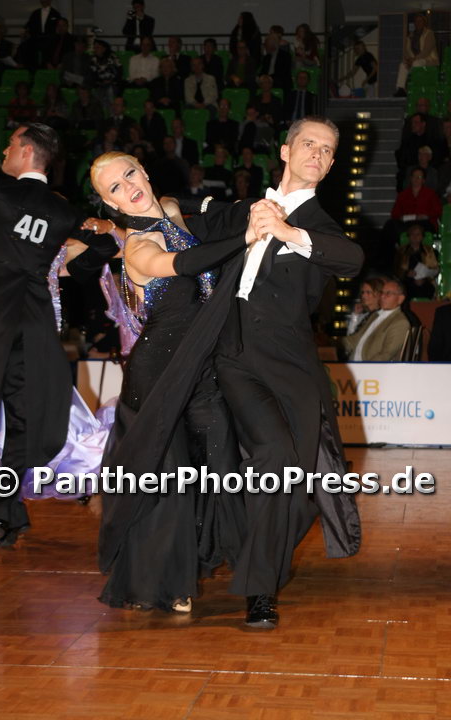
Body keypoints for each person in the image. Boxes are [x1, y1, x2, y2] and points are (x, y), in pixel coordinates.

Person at [207, 117, 363, 627]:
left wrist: (288, 232)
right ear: (285, 150)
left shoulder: (320, 226)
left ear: (332, 164)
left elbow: (352, 259)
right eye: (309, 144)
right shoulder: (246, 208)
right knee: (274, 454)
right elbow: (185, 220)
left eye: (328, 149)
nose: (318, 153)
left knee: (299, 481)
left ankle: (258, 560)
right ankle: (260, 589)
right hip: (234, 354)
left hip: (292, 364)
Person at [88, 151, 255, 612]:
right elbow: (185, 264)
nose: (128, 187)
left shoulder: (171, 208)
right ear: (109, 203)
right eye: (115, 188)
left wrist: (257, 208)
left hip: (201, 368)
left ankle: (245, 565)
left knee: (222, 460)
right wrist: (245, 237)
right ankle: (166, 580)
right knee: (167, 478)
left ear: (143, 169)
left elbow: (205, 210)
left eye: (129, 174)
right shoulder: (138, 247)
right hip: (158, 374)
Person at [0, 123, 118, 548]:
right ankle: (2, 515)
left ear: (25, 150)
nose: (3, 151)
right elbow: (106, 246)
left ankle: (1, 514)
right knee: (20, 423)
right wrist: (72, 265)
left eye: (9, 144)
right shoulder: (63, 211)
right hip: (33, 325)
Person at [341, 278, 410, 361]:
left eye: (388, 293)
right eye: (382, 293)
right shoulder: (375, 315)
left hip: (368, 366)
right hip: (352, 364)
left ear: (400, 299)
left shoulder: (400, 322)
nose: (382, 296)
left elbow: (386, 355)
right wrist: (335, 345)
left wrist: (364, 366)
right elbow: (355, 339)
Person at [394, 13, 439, 96]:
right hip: (413, 60)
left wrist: (413, 59)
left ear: (424, 22)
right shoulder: (410, 36)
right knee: (402, 65)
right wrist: (408, 60)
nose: (418, 23)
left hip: (428, 60)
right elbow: (406, 51)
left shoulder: (429, 33)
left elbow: (426, 51)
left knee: (416, 63)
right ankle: (401, 89)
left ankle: (416, 89)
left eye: (420, 21)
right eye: (416, 21)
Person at [394, 222, 438, 299]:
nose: (415, 237)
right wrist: (406, 273)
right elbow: (396, 269)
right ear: (409, 237)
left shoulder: (430, 251)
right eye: (412, 234)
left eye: (418, 234)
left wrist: (423, 278)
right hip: (406, 282)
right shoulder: (401, 251)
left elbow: (435, 269)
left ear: (422, 237)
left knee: (427, 288)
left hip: (426, 282)